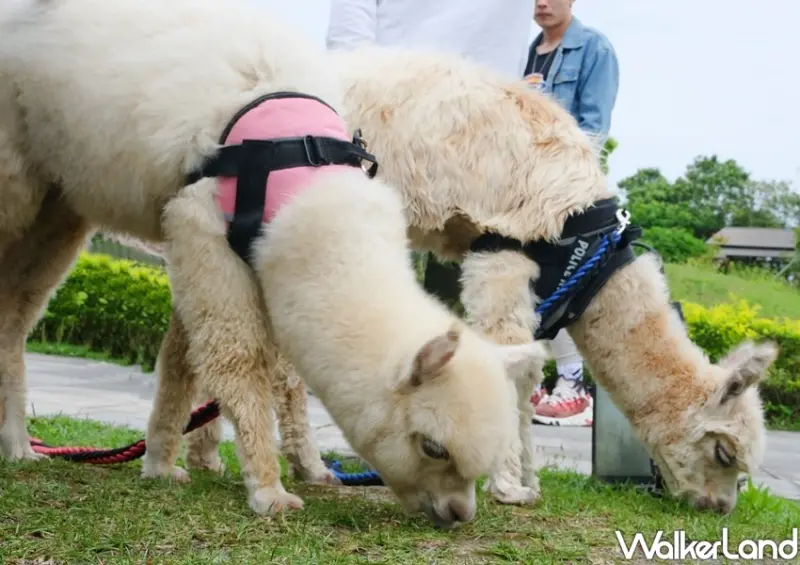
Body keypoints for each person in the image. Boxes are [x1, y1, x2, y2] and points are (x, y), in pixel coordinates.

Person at [525, 0, 620, 426]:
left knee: (559, 284)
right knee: (526, 285)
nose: (542, 2)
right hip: (524, 189)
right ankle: (534, 385)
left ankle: (574, 387)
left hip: (565, 189)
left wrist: (541, 106)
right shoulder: (531, 49)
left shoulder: (594, 48)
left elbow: (594, 130)